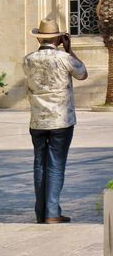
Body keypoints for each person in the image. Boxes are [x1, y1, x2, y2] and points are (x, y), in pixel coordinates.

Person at [23, 18, 88, 224]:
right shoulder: (64, 58)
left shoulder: (28, 59)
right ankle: (52, 213)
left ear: (39, 38)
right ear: (59, 38)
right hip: (61, 120)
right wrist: (69, 50)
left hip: (38, 121)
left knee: (39, 165)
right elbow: (83, 74)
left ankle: (40, 212)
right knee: (56, 165)